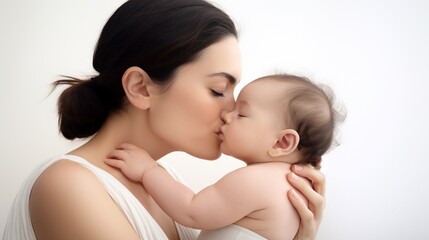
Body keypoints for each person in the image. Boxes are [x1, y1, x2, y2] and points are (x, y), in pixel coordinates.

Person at [3, 1, 326, 239]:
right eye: (218, 89)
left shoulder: (162, 178)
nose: (230, 112)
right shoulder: (69, 186)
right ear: (141, 88)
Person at [105, 74, 344, 240]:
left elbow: (192, 210)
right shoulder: (293, 188)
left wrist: (148, 170)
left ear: (282, 142)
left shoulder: (256, 180)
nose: (227, 115)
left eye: (242, 113)